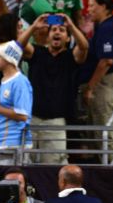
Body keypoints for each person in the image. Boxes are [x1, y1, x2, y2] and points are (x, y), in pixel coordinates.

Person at [19, 14, 88, 164]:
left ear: (68, 38)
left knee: (53, 165)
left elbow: (84, 46)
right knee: (24, 162)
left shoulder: (71, 57)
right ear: (47, 36)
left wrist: (71, 26)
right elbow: (19, 45)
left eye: (62, 30)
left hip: (56, 120)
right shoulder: (37, 53)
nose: (57, 32)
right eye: (54, 30)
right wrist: (34, 27)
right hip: (32, 118)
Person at [81, 0, 113, 161]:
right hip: (104, 83)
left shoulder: (108, 27)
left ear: (104, 7)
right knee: (101, 133)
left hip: (107, 84)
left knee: (108, 133)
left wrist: (90, 87)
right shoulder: (103, 26)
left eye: (92, 6)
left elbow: (106, 61)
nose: (89, 9)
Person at [0, 40, 32, 165]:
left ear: (8, 58)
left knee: (11, 182)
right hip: (2, 143)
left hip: (13, 145)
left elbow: (23, 116)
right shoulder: (5, 80)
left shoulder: (20, 82)